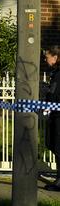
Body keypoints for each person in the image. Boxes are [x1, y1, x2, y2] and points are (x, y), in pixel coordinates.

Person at [44, 46, 60, 191]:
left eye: (47, 56)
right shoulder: (56, 73)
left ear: (55, 58)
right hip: (55, 115)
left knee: (58, 147)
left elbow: (54, 94)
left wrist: (46, 93)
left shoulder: (58, 74)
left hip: (58, 117)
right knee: (54, 146)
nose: (45, 59)